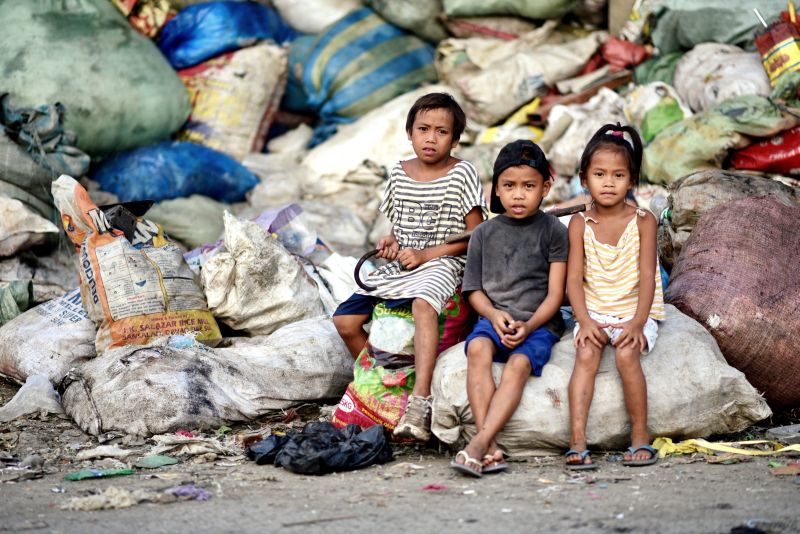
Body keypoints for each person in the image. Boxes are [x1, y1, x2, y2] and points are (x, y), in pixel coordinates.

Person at [333, 92, 486, 442]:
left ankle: (420, 400)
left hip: (446, 261)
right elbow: (399, 229)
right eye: (423, 129)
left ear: (456, 139)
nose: (431, 138)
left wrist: (427, 254)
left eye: (442, 132)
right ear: (409, 132)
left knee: (422, 305)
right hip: (404, 264)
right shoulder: (399, 173)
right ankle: (379, 388)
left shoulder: (462, 174)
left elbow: (477, 234)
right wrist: (391, 243)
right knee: (344, 320)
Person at [451, 139, 568, 477]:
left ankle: (479, 443)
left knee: (518, 365)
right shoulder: (484, 234)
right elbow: (473, 291)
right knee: (478, 351)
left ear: (546, 187)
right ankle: (491, 449)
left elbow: (555, 295)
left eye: (528, 186)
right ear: (496, 190)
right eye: (510, 186)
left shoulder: (554, 231)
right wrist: (492, 315)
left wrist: (529, 327)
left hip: (539, 324)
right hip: (494, 318)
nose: (519, 195)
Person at [565, 123, 665, 470]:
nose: (608, 183)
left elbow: (648, 276)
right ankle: (577, 440)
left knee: (626, 356)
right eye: (600, 174)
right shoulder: (579, 223)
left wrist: (638, 323)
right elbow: (573, 281)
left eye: (618, 175)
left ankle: (640, 437)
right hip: (594, 309)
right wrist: (584, 320)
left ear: (632, 180)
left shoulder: (644, 220)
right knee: (586, 354)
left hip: (633, 309)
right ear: (584, 179)